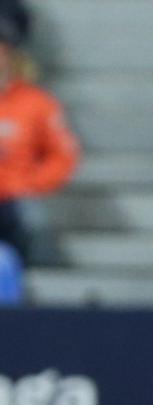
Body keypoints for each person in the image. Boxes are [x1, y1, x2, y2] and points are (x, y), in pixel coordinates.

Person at [0, 19, 78, 263]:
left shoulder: (36, 103)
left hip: (13, 200)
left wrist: (29, 183)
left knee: (26, 216)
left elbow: (63, 156)